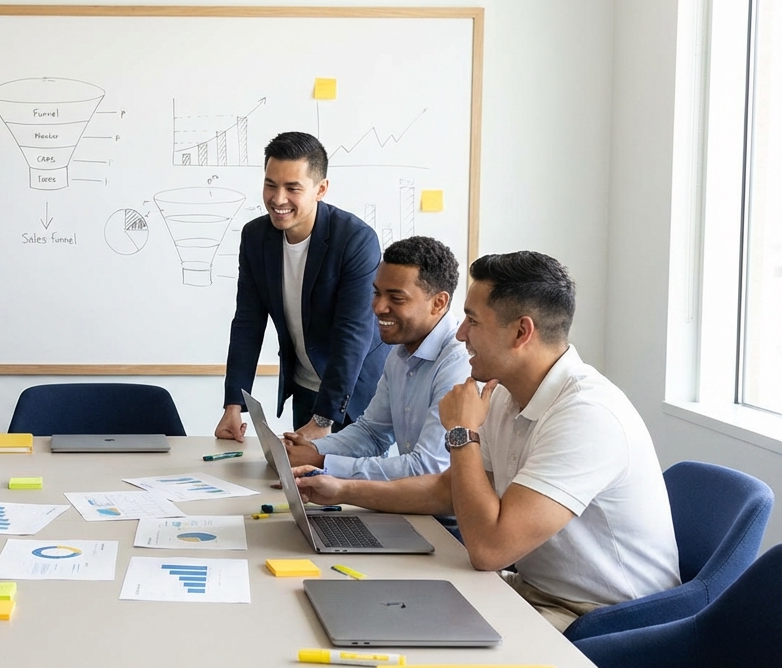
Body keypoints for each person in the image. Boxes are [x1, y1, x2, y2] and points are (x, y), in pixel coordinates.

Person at [295, 251, 680, 631]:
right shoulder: (505, 395)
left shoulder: (587, 415)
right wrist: (342, 490)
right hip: (532, 590)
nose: (460, 333)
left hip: (601, 617)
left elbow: (490, 550)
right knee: (378, 604)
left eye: (472, 320)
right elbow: (447, 491)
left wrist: (462, 434)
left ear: (520, 332)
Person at [217, 131, 389, 444]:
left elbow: (353, 333)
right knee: (300, 487)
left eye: (292, 188)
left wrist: (324, 419)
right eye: (270, 184)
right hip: (306, 386)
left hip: (354, 392)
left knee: (347, 489)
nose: (277, 199)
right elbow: (247, 323)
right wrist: (234, 405)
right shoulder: (256, 237)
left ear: (320, 189)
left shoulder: (355, 239)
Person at [281, 236, 470, 480]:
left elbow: (427, 468)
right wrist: (311, 448)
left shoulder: (459, 362)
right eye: (377, 293)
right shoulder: (400, 353)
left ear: (438, 303)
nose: (379, 307)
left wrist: (320, 461)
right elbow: (372, 433)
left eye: (396, 298)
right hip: (410, 504)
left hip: (445, 516)